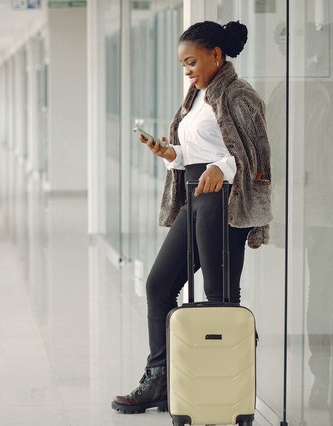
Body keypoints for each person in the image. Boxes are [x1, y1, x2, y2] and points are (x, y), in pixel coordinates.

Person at [111, 20, 272, 414]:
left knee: (221, 299)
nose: (188, 71)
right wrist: (171, 154)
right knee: (159, 285)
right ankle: (160, 379)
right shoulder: (198, 96)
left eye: (192, 62)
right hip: (195, 197)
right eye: (184, 64)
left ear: (216, 55)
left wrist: (225, 167)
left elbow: (258, 157)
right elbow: (197, 151)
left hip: (225, 202)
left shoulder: (239, 94)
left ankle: (223, 392)